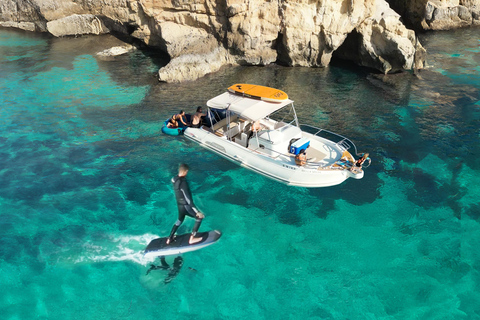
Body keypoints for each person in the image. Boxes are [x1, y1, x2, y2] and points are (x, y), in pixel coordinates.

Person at [167, 163, 205, 245]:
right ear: (185, 171)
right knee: (200, 217)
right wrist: (197, 211)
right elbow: (188, 200)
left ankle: (169, 238)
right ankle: (192, 238)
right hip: (186, 206)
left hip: (180, 206)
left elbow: (174, 183)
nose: (187, 173)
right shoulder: (183, 183)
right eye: (187, 172)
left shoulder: (174, 179)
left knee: (179, 220)